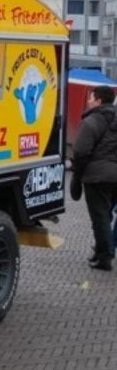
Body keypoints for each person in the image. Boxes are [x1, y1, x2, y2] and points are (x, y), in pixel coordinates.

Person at [71, 85, 117, 271]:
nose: (88, 101)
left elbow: (81, 151)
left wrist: (77, 174)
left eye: (90, 98)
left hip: (97, 177)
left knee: (100, 217)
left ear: (98, 100)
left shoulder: (91, 122)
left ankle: (104, 258)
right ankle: (101, 251)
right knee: (105, 215)